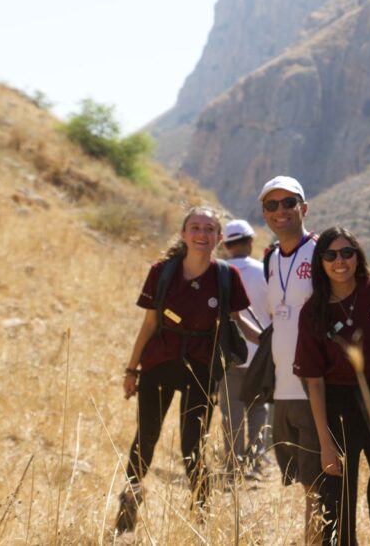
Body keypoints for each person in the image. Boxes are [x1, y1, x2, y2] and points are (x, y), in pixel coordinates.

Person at [116, 205, 251, 533]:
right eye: (196, 227)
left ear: (219, 238)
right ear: (183, 234)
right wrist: (131, 370)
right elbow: (149, 323)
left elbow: (237, 323)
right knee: (146, 437)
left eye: (209, 229)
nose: (202, 234)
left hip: (202, 369)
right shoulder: (162, 271)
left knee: (193, 444)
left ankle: (201, 516)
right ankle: (128, 507)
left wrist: (273, 342)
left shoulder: (226, 276)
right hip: (159, 362)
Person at [294, 227, 370, 545]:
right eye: (330, 255)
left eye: (347, 252)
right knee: (338, 497)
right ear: (320, 263)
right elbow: (314, 383)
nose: (340, 261)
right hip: (338, 403)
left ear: (358, 256)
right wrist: (325, 443)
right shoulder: (312, 312)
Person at [259, 175, 323, 542]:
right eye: (272, 204)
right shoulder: (269, 257)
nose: (281, 211)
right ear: (264, 213)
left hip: (314, 389)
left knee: (318, 487)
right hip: (282, 391)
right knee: (304, 484)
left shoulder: (323, 251)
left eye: (288, 202)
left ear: (304, 207)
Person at [217, 219, 270, 482]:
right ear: (250, 242)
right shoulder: (264, 272)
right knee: (259, 409)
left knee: (232, 413)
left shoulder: (218, 273)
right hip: (261, 353)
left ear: (225, 245)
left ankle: (233, 468)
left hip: (229, 355)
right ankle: (255, 465)